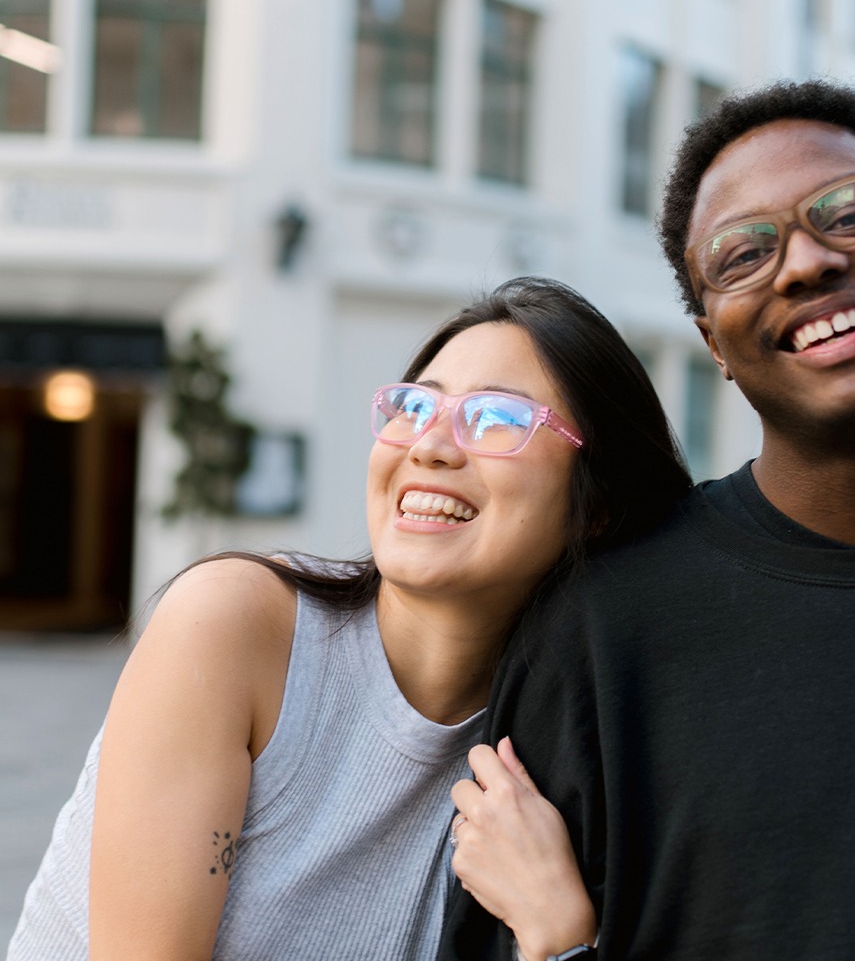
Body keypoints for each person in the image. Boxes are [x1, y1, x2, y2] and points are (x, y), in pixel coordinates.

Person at [439, 81, 855, 960]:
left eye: (852, 212)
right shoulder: (603, 632)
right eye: (742, 254)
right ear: (714, 344)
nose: (807, 263)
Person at [6, 276, 691, 961]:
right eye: (414, 407)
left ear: (598, 505)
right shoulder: (235, 626)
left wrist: (563, 937)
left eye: (496, 419)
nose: (430, 445)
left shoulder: (568, 751)